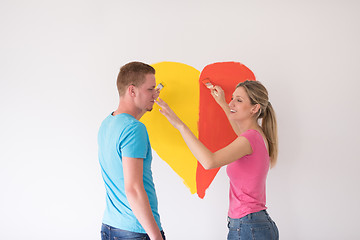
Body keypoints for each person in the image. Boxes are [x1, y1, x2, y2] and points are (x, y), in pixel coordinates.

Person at [156, 80, 279, 240]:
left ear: (255, 108)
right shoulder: (257, 135)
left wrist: (180, 126)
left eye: (239, 100)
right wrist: (222, 102)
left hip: (248, 227)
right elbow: (239, 131)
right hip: (253, 224)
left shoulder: (249, 139)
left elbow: (209, 162)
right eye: (232, 98)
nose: (231, 102)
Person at [98, 62, 165, 240]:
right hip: (136, 230)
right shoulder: (135, 129)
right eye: (150, 89)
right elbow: (133, 189)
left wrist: (146, 102)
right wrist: (156, 237)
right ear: (132, 91)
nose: (155, 94)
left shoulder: (108, 123)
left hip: (111, 226)